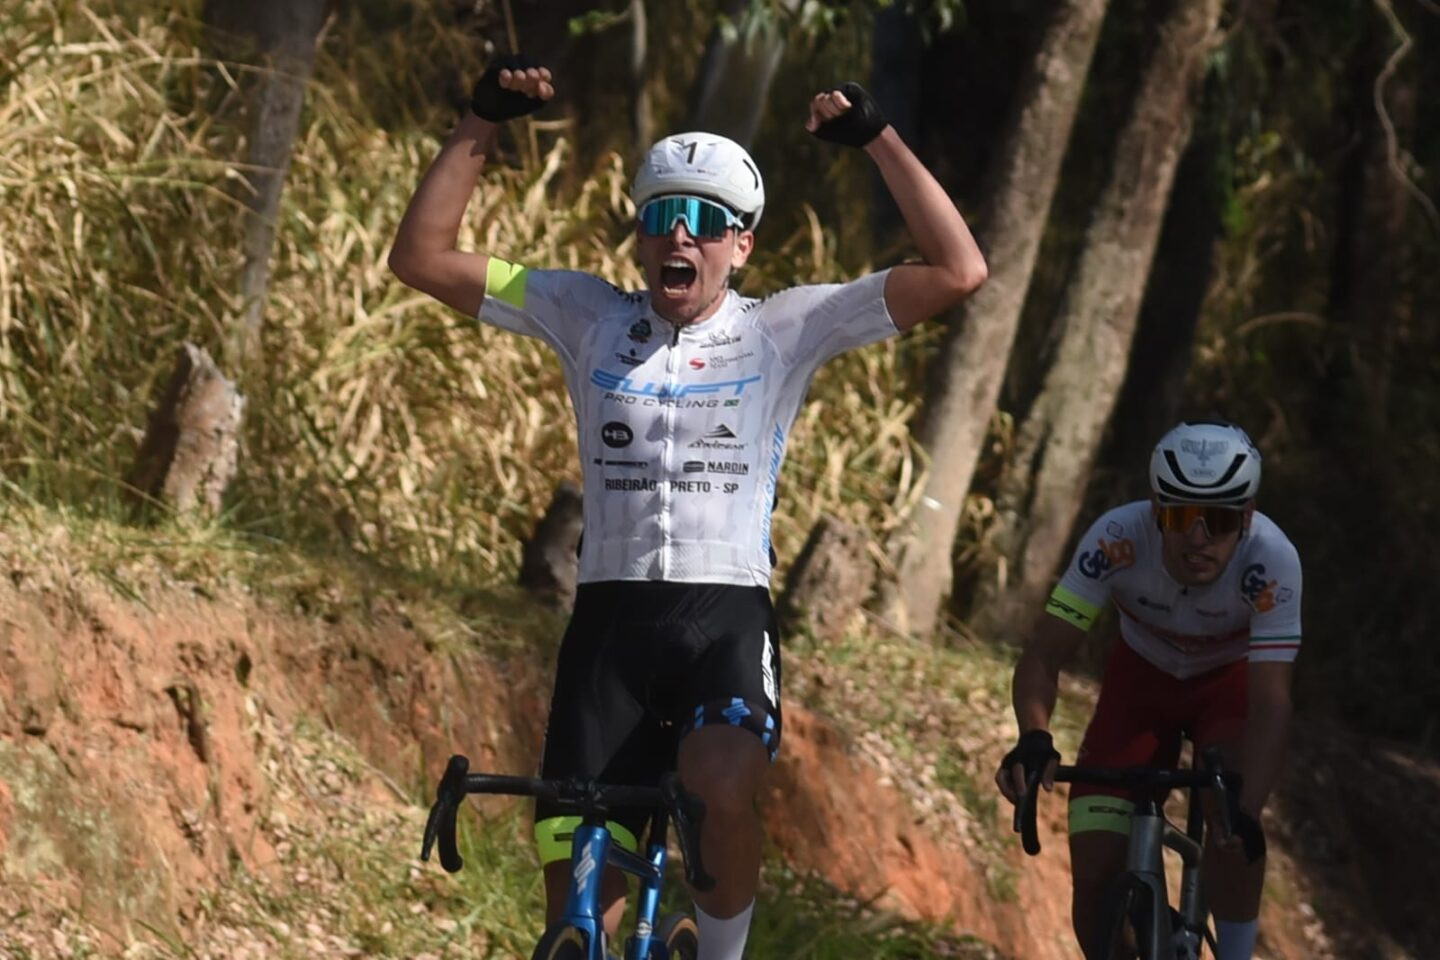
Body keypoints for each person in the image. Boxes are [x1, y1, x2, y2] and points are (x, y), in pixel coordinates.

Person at [389, 57, 987, 960]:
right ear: (639, 233)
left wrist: (877, 140)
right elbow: (421, 258)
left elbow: (960, 269)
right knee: (577, 928)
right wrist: (481, 119)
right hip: (609, 627)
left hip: (722, 621)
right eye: (663, 214)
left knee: (716, 789)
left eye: (706, 221)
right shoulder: (583, 311)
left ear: (741, 245)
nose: (682, 233)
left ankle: (720, 953)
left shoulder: (784, 327)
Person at [995, 420, 1302, 960]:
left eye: (1220, 520)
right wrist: (1034, 737)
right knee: (1094, 873)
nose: (1199, 538)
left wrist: (1249, 809)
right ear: (1157, 508)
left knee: (1231, 827)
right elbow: (1044, 655)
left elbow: (1270, 702)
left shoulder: (1272, 559)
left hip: (1229, 689)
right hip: (1140, 683)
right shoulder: (1117, 537)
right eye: (1181, 517)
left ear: (1247, 517)